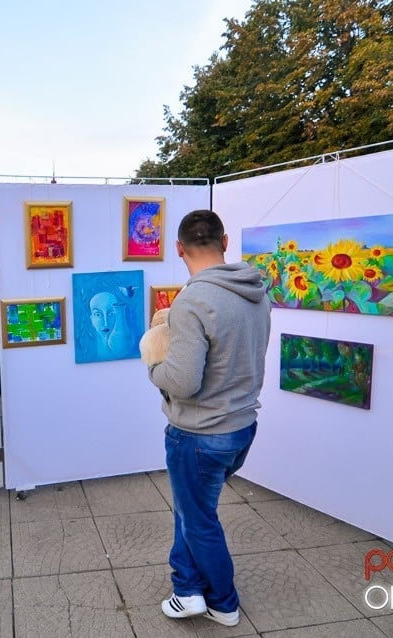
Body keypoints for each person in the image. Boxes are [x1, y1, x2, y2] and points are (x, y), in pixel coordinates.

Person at [147, 210, 271, 627]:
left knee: (198, 520)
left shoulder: (193, 301)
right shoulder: (256, 292)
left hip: (199, 433)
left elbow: (181, 382)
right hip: (241, 426)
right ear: (225, 241)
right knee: (193, 510)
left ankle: (223, 602)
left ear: (179, 248)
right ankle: (186, 589)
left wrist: (152, 368)